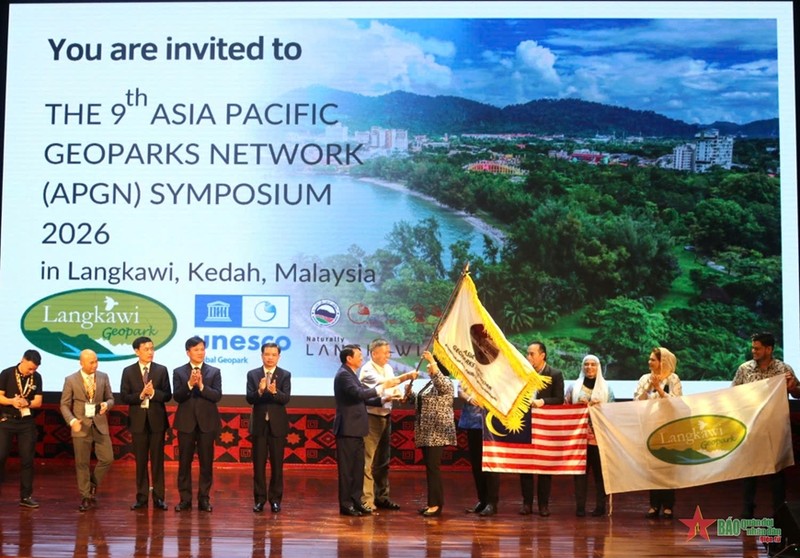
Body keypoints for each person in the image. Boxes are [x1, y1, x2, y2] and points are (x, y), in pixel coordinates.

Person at [333, 344, 415, 517]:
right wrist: (385, 387)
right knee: (347, 471)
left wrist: (385, 398)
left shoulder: (352, 374)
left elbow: (363, 399)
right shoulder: (343, 375)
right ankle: (346, 505)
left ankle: (357, 501)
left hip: (357, 429)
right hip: (347, 429)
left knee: (357, 469)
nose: (361, 359)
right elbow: (359, 394)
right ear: (349, 358)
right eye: (359, 356)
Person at [732, 332, 800, 519]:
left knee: (776, 472)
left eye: (757, 348)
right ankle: (747, 511)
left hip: (775, 428)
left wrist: (793, 387)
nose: (753, 351)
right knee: (749, 471)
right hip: (751, 428)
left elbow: (797, 393)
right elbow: (733, 394)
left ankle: (780, 511)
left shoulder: (783, 369)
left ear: (769, 349)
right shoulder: (744, 369)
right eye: (753, 347)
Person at [120, 336, 172, 511]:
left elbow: (167, 395)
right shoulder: (128, 371)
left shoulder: (161, 370)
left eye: (152, 348)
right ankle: (141, 497)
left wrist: (154, 392)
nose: (150, 352)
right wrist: (141, 395)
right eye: (146, 349)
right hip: (138, 422)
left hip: (157, 421)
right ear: (137, 351)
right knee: (141, 461)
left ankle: (159, 497)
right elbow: (124, 397)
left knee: (157, 461)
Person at [60, 349, 115, 512]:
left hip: (100, 424)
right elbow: (64, 404)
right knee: (82, 463)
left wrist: (107, 404)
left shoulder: (103, 377)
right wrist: (71, 420)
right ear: (81, 363)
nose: (95, 365)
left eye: (96, 361)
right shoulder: (70, 380)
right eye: (91, 362)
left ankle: (92, 484)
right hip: (80, 426)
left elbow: (111, 398)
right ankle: (85, 495)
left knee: (107, 458)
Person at [173, 336, 222, 513]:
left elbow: (217, 396)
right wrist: (189, 384)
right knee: (184, 463)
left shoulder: (213, 372)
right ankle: (185, 499)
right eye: (196, 349)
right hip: (186, 424)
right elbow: (177, 396)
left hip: (207, 424)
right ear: (188, 352)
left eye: (202, 349)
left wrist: (201, 386)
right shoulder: (179, 372)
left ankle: (204, 499)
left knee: (206, 463)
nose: (200, 352)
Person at [634, 347, 682, 519]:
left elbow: (676, 403)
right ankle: (654, 505)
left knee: (668, 467)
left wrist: (659, 389)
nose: (649, 362)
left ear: (663, 362)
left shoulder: (673, 379)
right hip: (650, 427)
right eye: (649, 359)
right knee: (653, 467)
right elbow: (637, 401)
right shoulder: (644, 378)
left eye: (653, 359)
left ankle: (668, 505)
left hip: (669, 428)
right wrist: (649, 387)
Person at [408, 350, 456, 518]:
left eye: (431, 365)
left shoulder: (446, 382)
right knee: (430, 468)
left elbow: (441, 383)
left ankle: (436, 505)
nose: (428, 367)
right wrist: (409, 394)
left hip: (437, 432)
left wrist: (431, 359)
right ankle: (432, 502)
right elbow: (421, 400)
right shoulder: (430, 384)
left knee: (433, 469)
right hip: (427, 432)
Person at [565, 354, 614, 518]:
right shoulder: (574, 388)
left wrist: (599, 408)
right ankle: (580, 507)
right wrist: (578, 407)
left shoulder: (607, 389)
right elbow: (565, 409)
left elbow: (613, 413)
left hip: (600, 440)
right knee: (580, 474)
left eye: (593, 364)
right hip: (579, 439)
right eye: (586, 364)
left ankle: (600, 506)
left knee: (600, 475)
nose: (589, 367)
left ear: (598, 367)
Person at [519, 341, 564, 517]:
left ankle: (543, 505)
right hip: (526, 424)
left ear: (542, 355)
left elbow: (559, 399)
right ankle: (527, 503)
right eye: (527, 353)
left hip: (546, 426)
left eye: (532, 354)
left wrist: (543, 402)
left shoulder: (555, 374)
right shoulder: (523, 374)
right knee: (525, 465)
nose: (528, 357)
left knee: (544, 466)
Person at [246, 342, 291, 513]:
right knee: (258, 465)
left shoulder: (285, 375)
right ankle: (259, 500)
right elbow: (249, 398)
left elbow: (285, 398)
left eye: (273, 354)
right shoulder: (253, 374)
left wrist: (273, 392)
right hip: (258, 425)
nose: (270, 357)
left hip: (277, 426)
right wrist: (259, 391)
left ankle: (275, 500)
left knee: (277, 465)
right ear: (261, 355)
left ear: (279, 356)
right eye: (267, 354)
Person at [359, 338, 402, 511]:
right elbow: (384, 387)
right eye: (384, 352)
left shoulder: (388, 368)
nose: (387, 356)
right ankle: (367, 500)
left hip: (386, 415)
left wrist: (400, 394)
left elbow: (393, 390)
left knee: (383, 461)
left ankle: (382, 497)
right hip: (371, 417)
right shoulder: (367, 370)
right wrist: (402, 380)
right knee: (367, 461)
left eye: (389, 352)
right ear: (374, 353)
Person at [0, 350, 43, 508]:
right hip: (7, 420)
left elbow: (38, 401)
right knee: (1, 455)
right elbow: (0, 396)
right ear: (22, 360)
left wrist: (27, 403)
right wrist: (12, 401)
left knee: (27, 460)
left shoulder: (36, 377)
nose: (31, 371)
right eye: (29, 368)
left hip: (26, 422)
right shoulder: (6, 373)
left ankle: (26, 496)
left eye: (34, 369)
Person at [457, 385, 500, 517]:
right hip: (472, 423)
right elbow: (460, 391)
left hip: (491, 423)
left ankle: (492, 503)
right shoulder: (468, 370)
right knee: (476, 464)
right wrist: (469, 398)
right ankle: (482, 500)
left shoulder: (495, 372)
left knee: (491, 464)